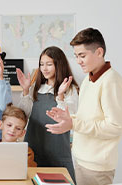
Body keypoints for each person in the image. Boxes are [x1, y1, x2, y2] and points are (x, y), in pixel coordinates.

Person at [46, 28, 122, 185]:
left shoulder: (111, 81)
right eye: (76, 56)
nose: (78, 61)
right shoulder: (88, 79)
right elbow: (87, 117)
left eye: (82, 56)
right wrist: (68, 119)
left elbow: (115, 126)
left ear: (99, 52)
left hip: (97, 166)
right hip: (81, 159)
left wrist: (74, 123)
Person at [16, 46, 79, 182]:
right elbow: (23, 114)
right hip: (33, 149)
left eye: (49, 64)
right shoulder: (36, 88)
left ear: (59, 64)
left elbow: (70, 117)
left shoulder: (70, 89)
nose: (44, 68)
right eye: (41, 64)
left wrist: (60, 95)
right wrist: (26, 90)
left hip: (58, 150)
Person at [0, 103, 37, 167]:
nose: (12, 130)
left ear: (22, 133)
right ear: (1, 125)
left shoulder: (27, 152)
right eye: (9, 125)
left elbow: (29, 172)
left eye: (18, 128)